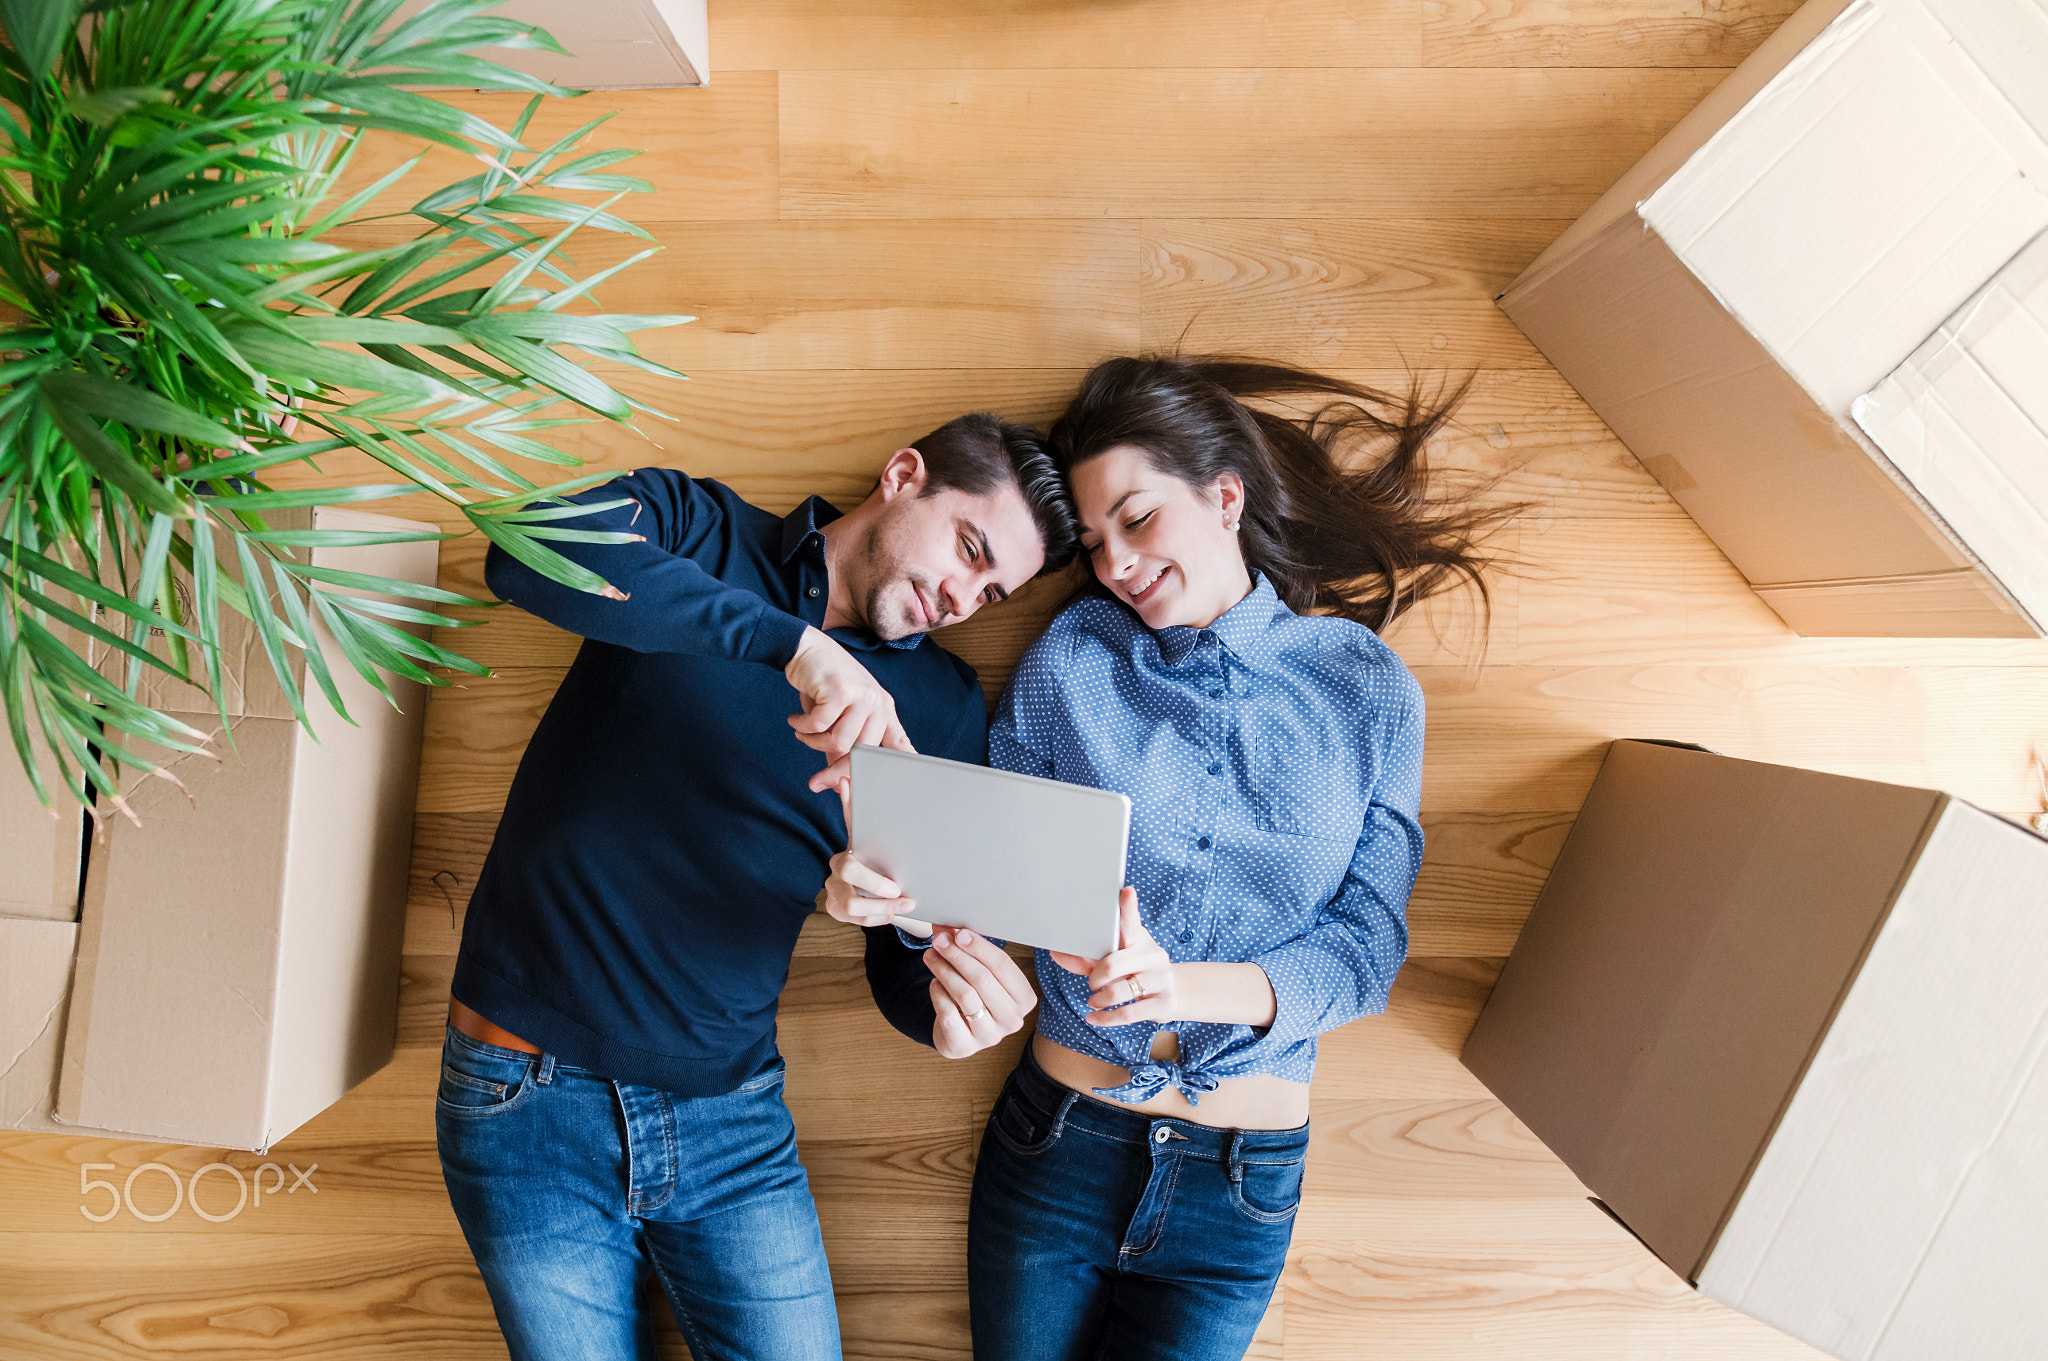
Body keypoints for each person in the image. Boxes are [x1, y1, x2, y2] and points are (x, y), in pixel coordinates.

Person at [827, 356, 1508, 1361]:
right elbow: (990, 886)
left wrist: (1179, 984)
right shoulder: (1071, 656)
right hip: (1056, 1139)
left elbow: (1366, 952)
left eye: (1136, 521)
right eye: (1094, 544)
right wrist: (897, 897)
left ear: (1223, 494)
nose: (1114, 565)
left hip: (1241, 1183)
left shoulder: (1366, 689)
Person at [437, 413, 1073, 1361]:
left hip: (732, 1120)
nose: (960, 594)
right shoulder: (695, 528)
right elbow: (522, 555)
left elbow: (908, 974)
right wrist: (794, 645)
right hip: (524, 1097)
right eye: (968, 547)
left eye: (990, 588)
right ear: (904, 475)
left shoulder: (940, 709)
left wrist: (927, 968)